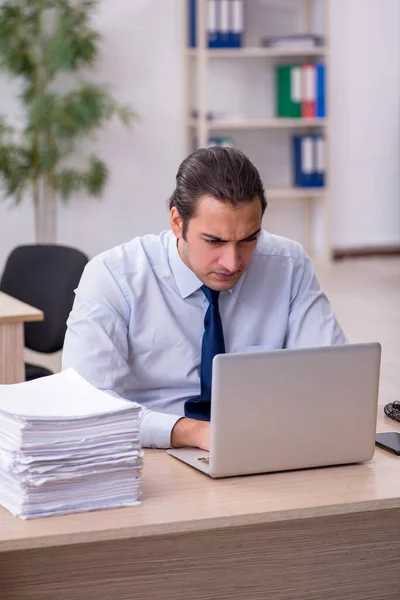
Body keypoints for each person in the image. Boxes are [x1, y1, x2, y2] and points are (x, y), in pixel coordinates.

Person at [62, 147, 347, 451]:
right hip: (149, 452)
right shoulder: (114, 276)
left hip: (259, 444)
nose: (231, 262)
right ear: (176, 222)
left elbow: (333, 377)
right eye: (214, 241)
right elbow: (86, 404)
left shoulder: (288, 264)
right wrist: (195, 433)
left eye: (250, 239)